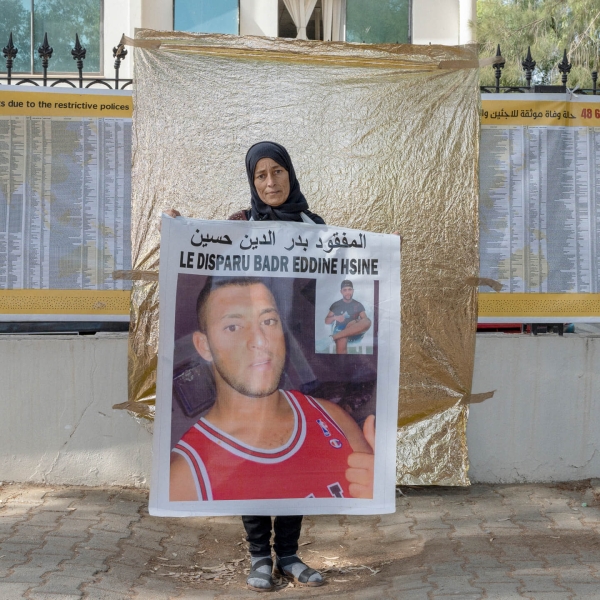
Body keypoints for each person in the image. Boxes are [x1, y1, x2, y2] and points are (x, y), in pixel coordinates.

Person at [165, 142, 375, 592]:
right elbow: (204, 250)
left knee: (292, 459)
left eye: (277, 172)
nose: (270, 182)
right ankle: (260, 555)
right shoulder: (241, 225)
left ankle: (291, 554)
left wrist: (381, 256)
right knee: (253, 456)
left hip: (291, 344)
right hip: (252, 352)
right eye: (260, 175)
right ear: (252, 182)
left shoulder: (313, 226)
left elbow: (341, 276)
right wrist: (181, 230)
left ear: (290, 175)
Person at [325, 280, 371, 354]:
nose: (347, 292)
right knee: (342, 337)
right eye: (345, 290)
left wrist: (356, 321)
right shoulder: (336, 305)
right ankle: (343, 363)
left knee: (367, 321)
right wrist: (335, 318)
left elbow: (365, 322)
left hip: (354, 331)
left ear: (353, 291)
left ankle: (333, 337)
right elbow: (327, 320)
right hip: (340, 330)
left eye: (349, 289)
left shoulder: (358, 305)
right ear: (341, 292)